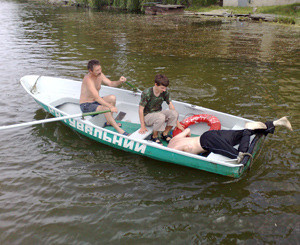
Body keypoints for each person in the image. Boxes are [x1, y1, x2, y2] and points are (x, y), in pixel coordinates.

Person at [168, 117, 293, 163]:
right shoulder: (173, 139)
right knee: (240, 134)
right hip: (208, 135)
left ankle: (248, 130)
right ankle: (275, 123)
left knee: (238, 157)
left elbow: (183, 157)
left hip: (207, 143)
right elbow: (188, 131)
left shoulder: (173, 149)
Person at [80, 59, 129, 135]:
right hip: (86, 105)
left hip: (95, 102)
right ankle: (119, 130)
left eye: (100, 69)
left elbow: (111, 83)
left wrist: (120, 81)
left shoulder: (100, 75)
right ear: (90, 71)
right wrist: (110, 107)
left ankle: (109, 122)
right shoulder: (88, 80)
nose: (99, 71)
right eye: (97, 70)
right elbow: (97, 98)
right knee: (106, 108)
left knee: (112, 97)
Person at [138, 74, 185, 145]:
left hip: (158, 113)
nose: (164, 90)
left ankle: (165, 133)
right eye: (162, 88)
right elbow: (141, 109)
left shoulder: (164, 92)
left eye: (165, 88)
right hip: (147, 116)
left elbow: (171, 106)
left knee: (174, 113)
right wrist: (143, 126)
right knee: (161, 117)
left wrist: (177, 123)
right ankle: (154, 136)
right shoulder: (147, 93)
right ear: (156, 85)